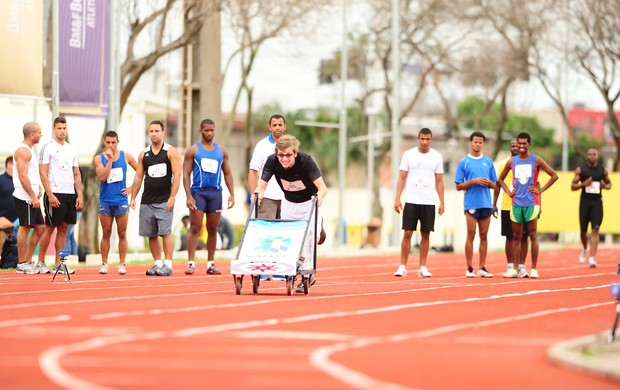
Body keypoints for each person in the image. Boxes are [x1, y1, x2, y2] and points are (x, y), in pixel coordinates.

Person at [257, 134, 327, 292]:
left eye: (288, 155)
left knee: (309, 240)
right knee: (289, 241)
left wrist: (319, 197)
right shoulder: (272, 161)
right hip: (289, 203)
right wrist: (259, 193)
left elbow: (323, 188)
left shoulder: (306, 161)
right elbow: (261, 185)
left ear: (295, 153)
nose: (284, 159)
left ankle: (306, 276)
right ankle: (294, 272)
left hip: (310, 203)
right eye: (280, 155)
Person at [498, 131, 558, 279]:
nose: (521, 146)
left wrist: (539, 190)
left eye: (524, 143)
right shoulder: (512, 161)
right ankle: (515, 269)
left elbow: (554, 175)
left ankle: (534, 268)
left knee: (532, 235)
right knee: (516, 236)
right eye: (519, 143)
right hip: (516, 203)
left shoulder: (536, 160)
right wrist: (508, 191)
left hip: (531, 203)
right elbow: (500, 179)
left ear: (529, 144)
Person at [183, 118, 235, 275]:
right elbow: (186, 173)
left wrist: (232, 194)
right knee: (195, 227)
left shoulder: (222, 151)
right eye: (206, 130)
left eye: (212, 130)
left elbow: (227, 172)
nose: (209, 133)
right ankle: (191, 263)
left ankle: (210, 264)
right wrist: (188, 196)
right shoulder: (193, 150)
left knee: (213, 228)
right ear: (201, 131)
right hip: (198, 192)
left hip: (215, 194)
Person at [130, 120, 182, 276]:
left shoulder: (170, 152)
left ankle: (168, 265)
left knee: (165, 232)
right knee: (151, 234)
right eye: (151, 131)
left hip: (164, 200)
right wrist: (133, 197)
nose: (153, 134)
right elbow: (139, 177)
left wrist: (173, 197)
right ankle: (158, 264)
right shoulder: (143, 154)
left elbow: (177, 175)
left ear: (163, 133)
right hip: (147, 201)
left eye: (156, 131)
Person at [393, 128, 445, 278]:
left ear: (431, 139)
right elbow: (402, 177)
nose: (424, 142)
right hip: (411, 200)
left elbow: (440, 180)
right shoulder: (409, 155)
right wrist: (397, 198)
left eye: (427, 139)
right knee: (408, 233)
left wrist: (442, 201)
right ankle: (402, 266)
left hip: (428, 201)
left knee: (426, 234)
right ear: (418, 138)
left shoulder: (437, 156)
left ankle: (422, 266)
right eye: (422, 139)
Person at [38, 116, 83, 275]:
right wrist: (49, 194)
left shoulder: (71, 149)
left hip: (70, 194)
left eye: (64, 128)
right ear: (54, 129)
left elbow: (76, 174)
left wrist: (80, 195)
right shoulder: (48, 148)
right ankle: (40, 262)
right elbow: (43, 173)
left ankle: (59, 264)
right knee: (49, 229)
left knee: (64, 229)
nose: (62, 131)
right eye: (59, 128)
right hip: (54, 194)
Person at [94, 131, 138, 275]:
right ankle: (105, 264)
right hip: (106, 201)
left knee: (122, 232)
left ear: (118, 141)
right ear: (104, 142)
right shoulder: (99, 158)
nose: (111, 145)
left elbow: (140, 172)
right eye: (108, 142)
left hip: (121, 201)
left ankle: (122, 264)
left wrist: (132, 188)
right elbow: (102, 177)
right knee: (106, 233)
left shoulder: (126, 156)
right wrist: (111, 161)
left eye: (114, 142)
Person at [455, 132, 497, 278]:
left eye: (480, 142)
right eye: (475, 142)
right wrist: (473, 181)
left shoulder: (488, 161)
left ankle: (482, 267)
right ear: (471, 143)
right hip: (471, 203)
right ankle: (469, 268)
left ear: (483, 144)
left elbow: (495, 184)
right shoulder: (464, 162)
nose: (478, 144)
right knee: (471, 234)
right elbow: (458, 186)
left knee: (484, 235)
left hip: (486, 203)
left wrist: (488, 183)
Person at [493, 139, 529, 278]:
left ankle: (521, 266)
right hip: (508, 205)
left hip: (525, 204)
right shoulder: (504, 164)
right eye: (513, 146)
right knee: (509, 236)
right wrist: (494, 204)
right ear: (509, 148)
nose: (516, 148)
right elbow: (498, 183)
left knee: (524, 236)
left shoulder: (528, 163)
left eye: (518, 145)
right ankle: (510, 266)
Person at [12, 122, 46, 274]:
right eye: (39, 132)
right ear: (32, 135)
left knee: (40, 228)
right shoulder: (23, 151)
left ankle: (28, 260)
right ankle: (21, 264)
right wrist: (33, 196)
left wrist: (38, 186)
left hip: (31, 196)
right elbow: (22, 176)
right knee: (25, 228)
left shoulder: (30, 151)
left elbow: (30, 174)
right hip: (25, 196)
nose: (41, 135)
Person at [570, 147, 612, 268]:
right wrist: (583, 184)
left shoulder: (603, 171)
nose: (592, 156)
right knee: (583, 232)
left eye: (594, 154)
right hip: (584, 202)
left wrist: (605, 185)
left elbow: (609, 184)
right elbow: (572, 186)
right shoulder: (581, 170)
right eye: (590, 154)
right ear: (587, 156)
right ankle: (585, 248)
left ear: (597, 156)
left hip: (597, 203)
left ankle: (592, 258)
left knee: (595, 230)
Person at [248, 114, 286, 219]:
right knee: (267, 231)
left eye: (280, 125)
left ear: (284, 127)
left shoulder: (290, 145)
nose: (277, 127)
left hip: (287, 199)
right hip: (266, 198)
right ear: (270, 127)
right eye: (274, 125)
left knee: (284, 232)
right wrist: (254, 195)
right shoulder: (262, 145)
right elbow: (253, 171)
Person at [0, 156, 18, 245]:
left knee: (15, 251)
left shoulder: (19, 181)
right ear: (9, 164)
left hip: (18, 221)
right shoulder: (1, 179)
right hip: (3, 221)